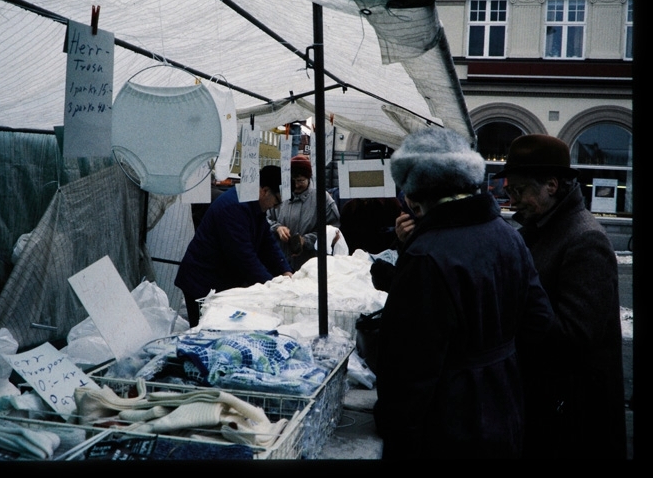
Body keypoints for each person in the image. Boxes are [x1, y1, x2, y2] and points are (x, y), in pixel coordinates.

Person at [372, 126, 554, 459]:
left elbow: (406, 370)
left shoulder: (426, 255)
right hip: (506, 409)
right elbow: (540, 324)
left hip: (448, 426)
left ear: (416, 191)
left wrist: (395, 434)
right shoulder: (509, 236)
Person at [493, 134, 628, 459]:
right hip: (548, 403)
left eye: (519, 190)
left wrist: (518, 297)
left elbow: (575, 336)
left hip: (573, 415)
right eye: (509, 191)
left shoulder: (586, 240)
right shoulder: (540, 228)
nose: (512, 200)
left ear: (551, 185)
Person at [175, 165, 293, 327]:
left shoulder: (253, 204)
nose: (276, 207)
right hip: (202, 284)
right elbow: (243, 256)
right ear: (264, 191)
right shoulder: (234, 207)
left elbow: (267, 243)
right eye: (277, 201)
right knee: (206, 333)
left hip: (221, 282)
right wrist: (270, 286)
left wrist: (284, 270)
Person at [266, 155, 341, 271]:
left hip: (310, 266)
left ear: (309, 178)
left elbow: (332, 230)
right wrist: (277, 228)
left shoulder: (322, 198)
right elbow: (266, 218)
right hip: (280, 263)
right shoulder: (279, 194)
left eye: (300, 181)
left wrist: (305, 240)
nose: (296, 185)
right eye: (292, 181)